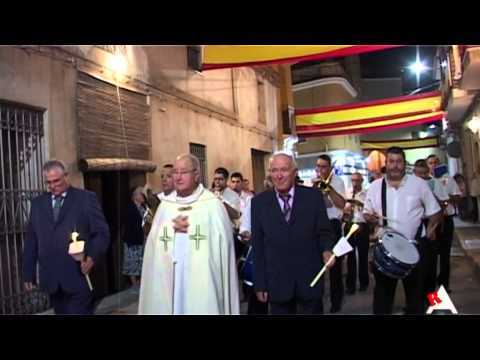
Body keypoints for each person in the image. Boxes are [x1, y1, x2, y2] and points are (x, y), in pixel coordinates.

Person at [138, 154, 240, 314]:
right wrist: (173, 231)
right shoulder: (166, 206)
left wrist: (190, 230)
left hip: (203, 282)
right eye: (175, 172)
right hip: (169, 281)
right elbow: (153, 247)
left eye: (183, 172)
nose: (177, 177)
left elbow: (222, 247)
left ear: (197, 174)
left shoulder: (212, 205)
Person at [22, 160, 110, 315]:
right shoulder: (38, 204)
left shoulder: (85, 199)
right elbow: (31, 240)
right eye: (48, 182)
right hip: (52, 279)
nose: (53, 186)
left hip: (78, 276)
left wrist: (91, 258)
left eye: (56, 181)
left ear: (66, 177)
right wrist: (28, 272)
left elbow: (102, 233)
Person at [251, 152, 335, 314]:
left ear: (294, 173)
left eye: (284, 170)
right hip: (277, 283)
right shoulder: (259, 203)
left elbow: (324, 232)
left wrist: (326, 250)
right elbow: (258, 246)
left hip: (309, 279)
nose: (279, 175)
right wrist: (260, 283)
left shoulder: (313, 197)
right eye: (274, 171)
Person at [363, 147, 442, 314]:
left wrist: (430, 229)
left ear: (404, 164)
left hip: (414, 247)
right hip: (385, 248)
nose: (395, 166)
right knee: (382, 299)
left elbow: (435, 211)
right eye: (391, 161)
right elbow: (367, 213)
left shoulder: (419, 184)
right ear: (386, 164)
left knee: (416, 299)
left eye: (399, 162)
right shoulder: (375, 187)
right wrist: (370, 218)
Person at [314, 154, 346, 313]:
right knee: (315, 265)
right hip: (317, 226)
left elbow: (341, 205)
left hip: (333, 225)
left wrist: (328, 189)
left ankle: (336, 301)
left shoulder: (338, 182)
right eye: (318, 166)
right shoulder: (312, 183)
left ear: (330, 168)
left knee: (335, 267)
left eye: (323, 167)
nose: (320, 170)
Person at [426, 154, 461, 292]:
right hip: (432, 221)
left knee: (445, 255)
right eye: (430, 163)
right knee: (431, 255)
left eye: (435, 162)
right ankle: (430, 285)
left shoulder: (447, 179)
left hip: (446, 220)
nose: (433, 165)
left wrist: (445, 198)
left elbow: (458, 196)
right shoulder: (426, 182)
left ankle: (444, 284)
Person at [343, 172, 369, 294]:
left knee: (363, 255)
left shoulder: (366, 194)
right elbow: (342, 206)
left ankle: (364, 282)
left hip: (361, 225)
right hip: (349, 224)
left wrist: (360, 205)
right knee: (350, 256)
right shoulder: (347, 192)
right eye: (353, 180)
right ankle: (350, 285)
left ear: (362, 181)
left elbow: (370, 210)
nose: (354, 183)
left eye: (357, 180)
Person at [122, 187, 149, 289]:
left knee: (142, 261)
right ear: (134, 196)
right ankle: (134, 284)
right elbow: (130, 224)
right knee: (132, 262)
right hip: (132, 239)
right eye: (140, 194)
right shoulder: (130, 208)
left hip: (143, 238)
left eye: (143, 194)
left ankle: (141, 282)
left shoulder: (144, 207)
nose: (143, 196)